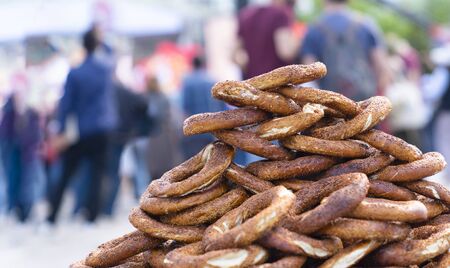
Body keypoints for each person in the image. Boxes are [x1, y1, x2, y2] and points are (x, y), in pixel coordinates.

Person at [46, 28, 117, 224]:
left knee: (66, 173)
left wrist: (59, 129)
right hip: (102, 128)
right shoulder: (105, 69)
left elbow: (65, 105)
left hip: (80, 130)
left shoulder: (76, 72)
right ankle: (92, 215)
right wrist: (103, 41)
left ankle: (53, 215)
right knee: (97, 174)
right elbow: (112, 54)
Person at [300, 0, 390, 101]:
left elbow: (309, 74)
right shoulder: (366, 25)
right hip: (363, 104)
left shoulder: (313, 29)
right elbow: (383, 69)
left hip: (330, 107)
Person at [0, 93, 44, 222]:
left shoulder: (33, 110)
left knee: (29, 181)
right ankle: (14, 207)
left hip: (28, 150)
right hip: (12, 146)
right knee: (12, 178)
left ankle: (25, 209)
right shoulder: (10, 108)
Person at [236, 0, 301, 80]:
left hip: (252, 84)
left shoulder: (245, 15)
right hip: (277, 83)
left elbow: (236, 54)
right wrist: (298, 39)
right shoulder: (281, 14)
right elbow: (286, 52)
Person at [180, 56, 226, 159]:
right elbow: (221, 104)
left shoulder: (188, 82)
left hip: (196, 128)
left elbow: (185, 106)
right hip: (213, 126)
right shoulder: (212, 79)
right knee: (215, 158)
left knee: (199, 160)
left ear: (193, 65)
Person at [146, 76, 182, 181]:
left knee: (153, 162)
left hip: (151, 134)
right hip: (164, 132)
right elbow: (169, 116)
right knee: (165, 161)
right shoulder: (163, 97)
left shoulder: (146, 97)